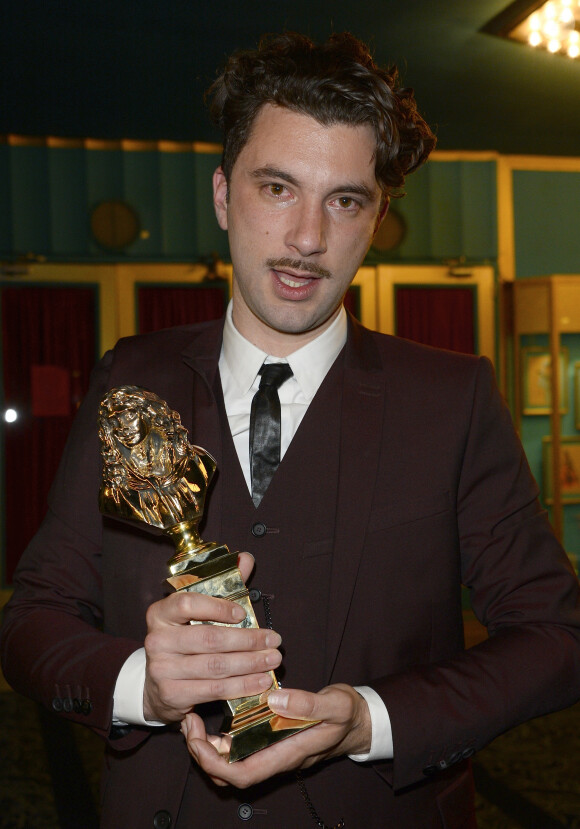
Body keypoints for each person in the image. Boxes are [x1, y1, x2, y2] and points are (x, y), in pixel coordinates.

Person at [2, 31, 580, 829]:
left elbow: (556, 637)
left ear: (375, 217)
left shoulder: (453, 398)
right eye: (277, 188)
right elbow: (32, 615)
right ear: (220, 194)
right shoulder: (130, 379)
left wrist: (370, 718)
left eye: (345, 200)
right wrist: (143, 683)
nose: (309, 237)